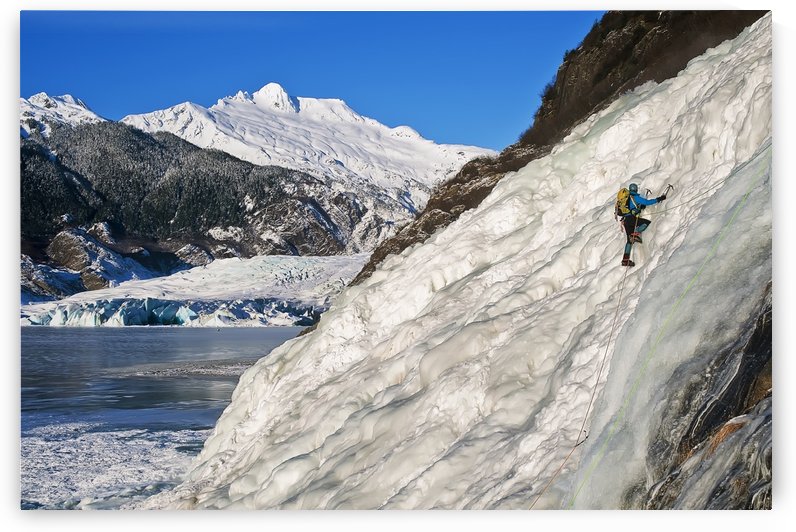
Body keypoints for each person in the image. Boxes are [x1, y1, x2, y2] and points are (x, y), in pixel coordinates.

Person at [619, 183, 666, 267]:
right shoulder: (635, 197)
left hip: (625, 221)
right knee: (646, 223)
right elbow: (647, 202)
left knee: (629, 241)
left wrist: (640, 207)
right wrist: (659, 199)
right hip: (632, 219)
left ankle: (625, 260)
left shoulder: (626, 199)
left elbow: (633, 207)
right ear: (636, 189)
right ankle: (635, 233)